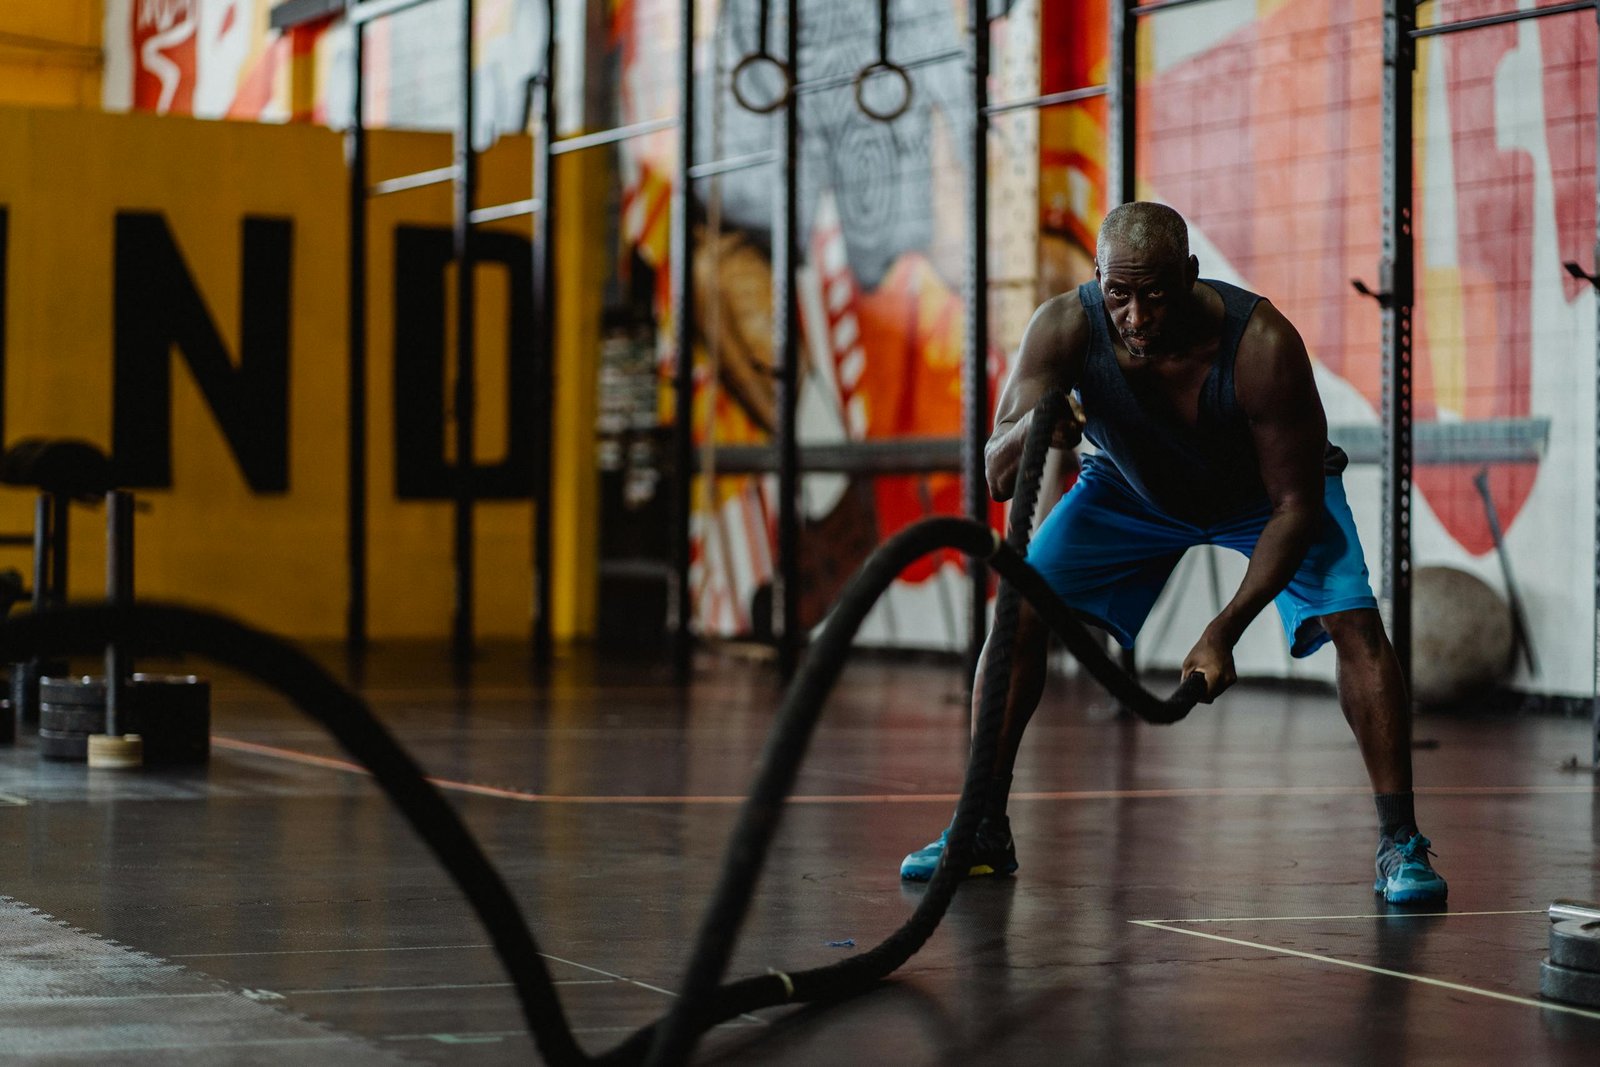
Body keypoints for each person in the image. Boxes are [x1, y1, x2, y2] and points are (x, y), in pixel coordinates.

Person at [900, 202, 1446, 904]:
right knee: (1019, 616)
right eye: (1117, 294)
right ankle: (981, 829)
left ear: (1188, 277)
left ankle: (1400, 842)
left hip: (1266, 500)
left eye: (1154, 295)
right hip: (1131, 490)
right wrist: (1038, 426)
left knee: (1356, 623)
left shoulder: (1262, 344)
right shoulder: (1065, 326)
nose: (1134, 316)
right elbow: (999, 472)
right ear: (1097, 279)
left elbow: (1295, 508)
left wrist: (1226, 629)